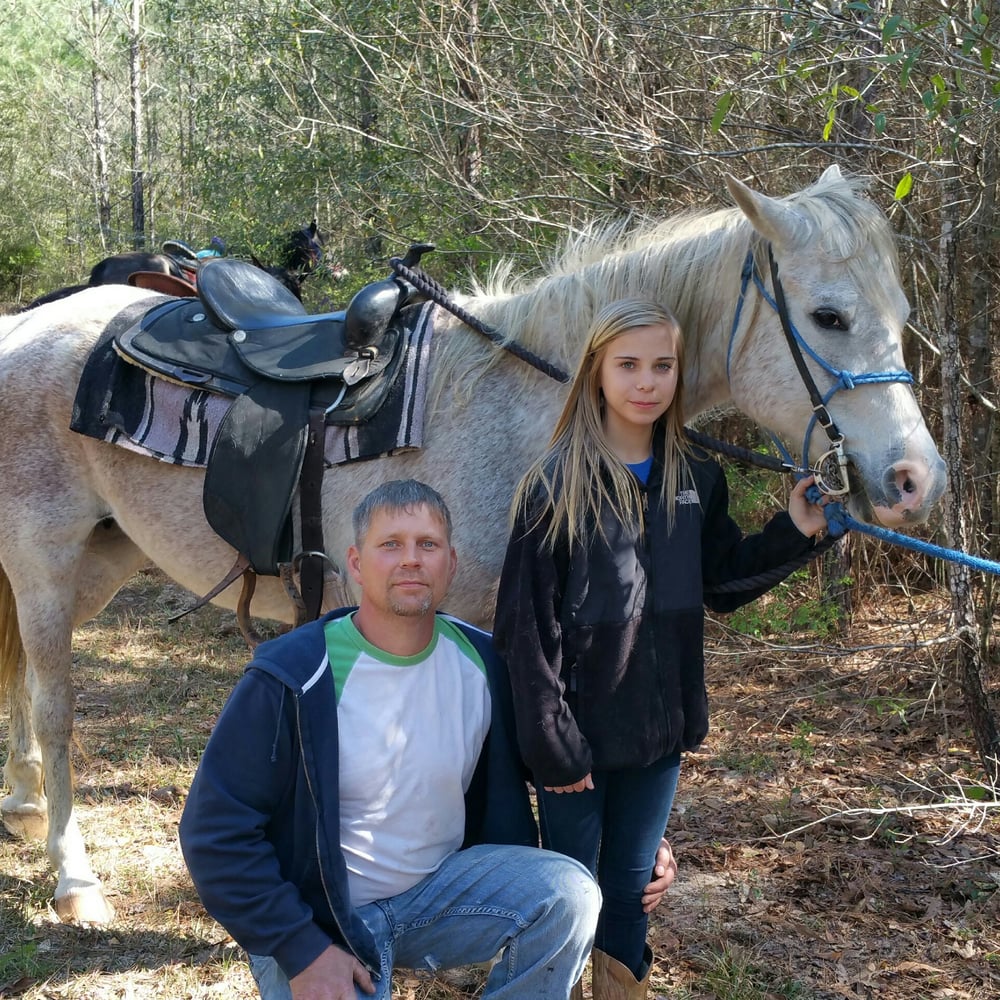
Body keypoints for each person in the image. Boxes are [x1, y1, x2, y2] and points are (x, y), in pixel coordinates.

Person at [179, 478, 675, 1000]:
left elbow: (563, 757)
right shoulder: (294, 675)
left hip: (437, 897)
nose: (410, 560)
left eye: (428, 545)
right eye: (390, 544)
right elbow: (215, 833)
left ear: (451, 564)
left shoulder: (489, 663)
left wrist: (636, 845)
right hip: (319, 919)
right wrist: (301, 950)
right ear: (354, 563)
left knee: (569, 895)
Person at [493, 299, 829, 999]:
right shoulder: (554, 486)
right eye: (629, 365)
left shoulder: (695, 478)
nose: (646, 382)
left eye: (663, 366)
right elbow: (525, 633)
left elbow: (724, 581)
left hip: (658, 738)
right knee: (567, 893)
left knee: (631, 891)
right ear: (596, 372)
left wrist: (795, 530)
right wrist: (553, 747)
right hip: (576, 748)